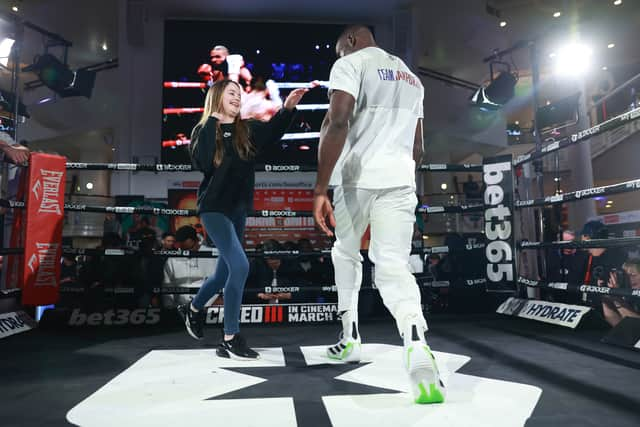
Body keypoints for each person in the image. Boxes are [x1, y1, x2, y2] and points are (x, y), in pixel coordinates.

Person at [312, 25, 444, 404]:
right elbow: (418, 146)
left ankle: (349, 336)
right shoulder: (412, 78)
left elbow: (338, 122)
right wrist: (403, 179)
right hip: (401, 180)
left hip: (357, 178)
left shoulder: (351, 63)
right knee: (392, 266)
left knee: (345, 252)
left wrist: (321, 187)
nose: (340, 56)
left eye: (340, 50)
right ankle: (417, 344)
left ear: (351, 41)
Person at [178, 79, 307, 360]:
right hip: (214, 208)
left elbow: (273, 132)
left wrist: (287, 109)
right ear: (217, 98)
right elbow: (200, 161)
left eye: (239, 93)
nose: (237, 97)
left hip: (238, 209)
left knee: (223, 273)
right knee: (240, 265)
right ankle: (230, 337)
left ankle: (194, 308)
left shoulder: (246, 129)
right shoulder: (204, 129)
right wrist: (213, 118)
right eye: (231, 93)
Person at [162, 225, 218, 309]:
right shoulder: (172, 260)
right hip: (181, 309)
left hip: (209, 308)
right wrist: (169, 309)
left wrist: (218, 303)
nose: (187, 253)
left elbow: (224, 282)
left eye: (190, 249)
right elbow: (167, 287)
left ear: (197, 241)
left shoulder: (214, 255)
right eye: (183, 249)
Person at [601, 258, 640, 327]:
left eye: (633, 275)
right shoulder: (628, 294)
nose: (628, 279)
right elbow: (617, 324)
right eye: (626, 276)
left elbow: (636, 326)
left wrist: (617, 300)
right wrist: (605, 294)